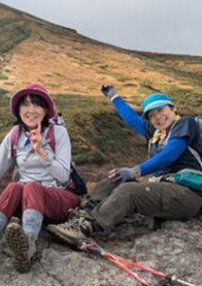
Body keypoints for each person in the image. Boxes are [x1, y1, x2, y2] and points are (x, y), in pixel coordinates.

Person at [47, 84, 202, 248]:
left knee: (128, 192)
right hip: (165, 190)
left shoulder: (185, 123)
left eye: (161, 110)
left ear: (173, 109)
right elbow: (131, 118)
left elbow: (170, 154)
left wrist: (136, 172)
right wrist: (114, 96)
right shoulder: (156, 134)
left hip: (186, 195)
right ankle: (81, 215)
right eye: (151, 115)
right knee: (115, 178)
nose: (157, 117)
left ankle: (85, 228)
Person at [0, 83, 81, 273]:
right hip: (32, 205)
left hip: (62, 198)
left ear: (46, 110)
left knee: (30, 186)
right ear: (18, 110)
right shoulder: (15, 135)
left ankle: (29, 243)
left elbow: (63, 175)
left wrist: (41, 151)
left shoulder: (58, 132)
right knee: (14, 187)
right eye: (25, 104)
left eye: (37, 104)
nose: (31, 110)